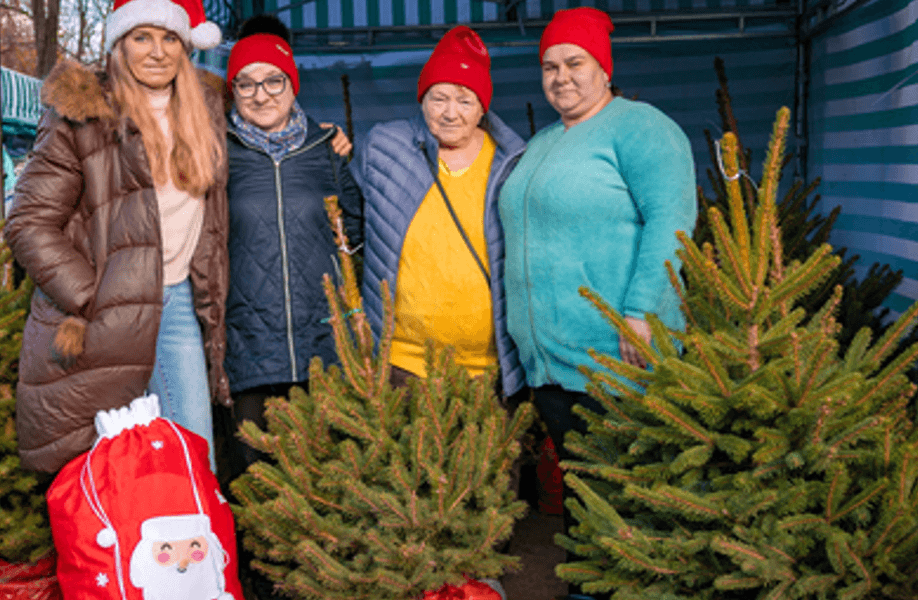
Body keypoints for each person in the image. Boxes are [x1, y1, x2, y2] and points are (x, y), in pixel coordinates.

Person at [497, 3, 697, 553]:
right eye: (550, 66)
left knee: (625, 497)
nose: (561, 77)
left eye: (575, 63)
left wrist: (640, 312)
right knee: (584, 491)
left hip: (615, 354)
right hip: (552, 362)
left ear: (604, 69)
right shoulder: (542, 142)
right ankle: (590, 585)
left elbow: (672, 221)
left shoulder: (640, 128)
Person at [4, 0, 230, 473]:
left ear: (186, 45)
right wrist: (92, 297)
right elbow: (29, 220)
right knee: (111, 476)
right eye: (142, 37)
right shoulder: (84, 114)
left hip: (178, 309)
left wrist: (329, 139)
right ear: (119, 43)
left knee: (193, 465)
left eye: (170, 38)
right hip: (102, 315)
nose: (157, 51)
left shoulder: (207, 110)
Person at [352, 25, 526, 400]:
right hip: (404, 365)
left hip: (488, 370)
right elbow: (344, 216)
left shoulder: (513, 163)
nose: (450, 113)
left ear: (483, 106)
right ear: (421, 100)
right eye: (438, 98)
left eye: (464, 100)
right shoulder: (386, 147)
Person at [223, 14, 362, 478]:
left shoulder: (327, 149)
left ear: (293, 83)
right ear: (233, 90)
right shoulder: (216, 151)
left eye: (273, 81)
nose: (260, 94)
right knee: (255, 481)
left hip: (320, 343)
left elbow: (354, 232)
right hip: (247, 346)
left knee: (324, 479)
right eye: (246, 84)